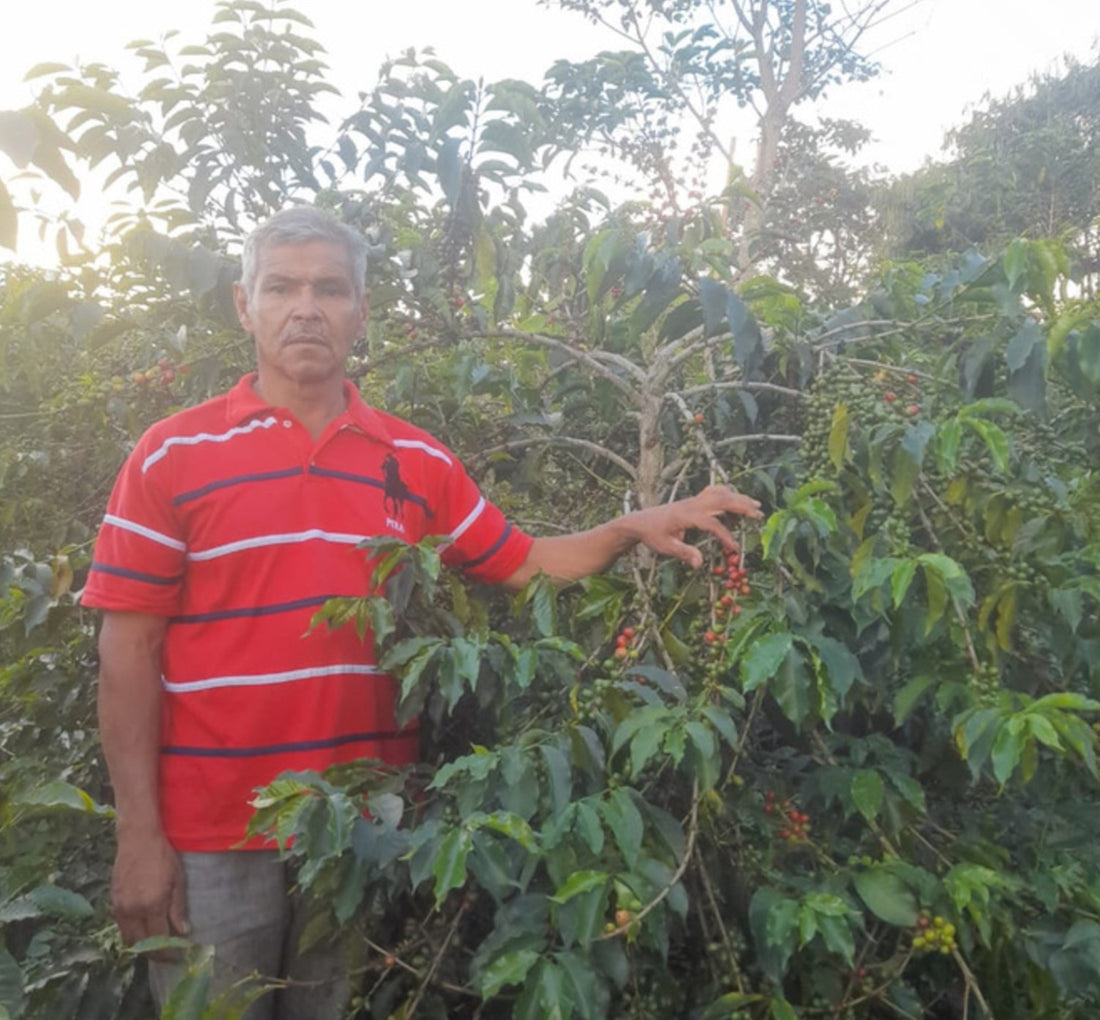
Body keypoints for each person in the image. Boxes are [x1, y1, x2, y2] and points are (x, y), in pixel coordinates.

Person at [81, 206, 762, 1018]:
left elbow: (523, 562)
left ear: (361, 311)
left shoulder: (417, 460)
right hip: (210, 836)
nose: (306, 307)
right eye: (281, 287)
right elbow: (127, 654)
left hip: (364, 832)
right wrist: (138, 836)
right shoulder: (170, 455)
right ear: (243, 304)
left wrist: (628, 529)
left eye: (330, 289)